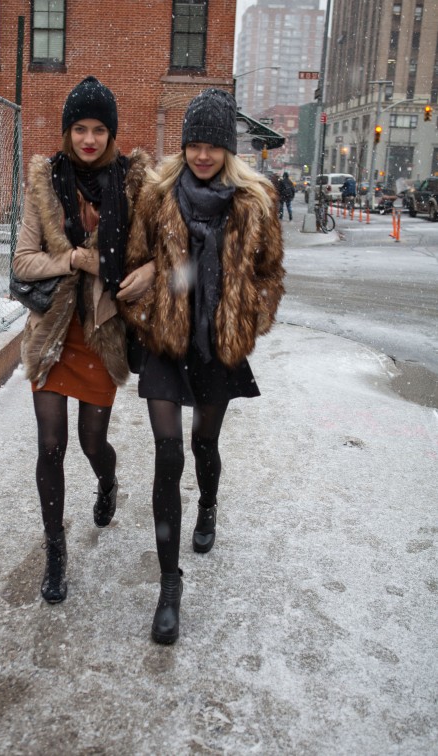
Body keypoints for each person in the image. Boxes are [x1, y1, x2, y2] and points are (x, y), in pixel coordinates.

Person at [120, 88, 285, 644]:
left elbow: (270, 274)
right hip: (166, 344)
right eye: (195, 144)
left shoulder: (253, 202)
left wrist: (248, 319)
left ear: (228, 150)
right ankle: (169, 585)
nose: (203, 155)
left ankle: (208, 503)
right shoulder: (158, 196)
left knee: (202, 445)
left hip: (216, 346)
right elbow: (136, 262)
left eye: (213, 145)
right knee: (168, 454)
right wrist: (150, 294)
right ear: (184, 146)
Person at [13, 76, 153, 604]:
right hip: (52, 332)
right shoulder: (46, 183)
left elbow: (161, 251)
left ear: (111, 133)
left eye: (98, 129)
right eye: (79, 129)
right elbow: (23, 261)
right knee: (50, 444)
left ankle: (107, 482)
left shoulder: (133, 185)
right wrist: (74, 258)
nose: (89, 139)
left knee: (93, 443)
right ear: (67, 132)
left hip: (100, 334)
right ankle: (55, 550)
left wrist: (150, 270)